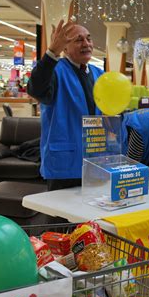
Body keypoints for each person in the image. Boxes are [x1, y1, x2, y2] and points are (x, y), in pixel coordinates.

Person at [28, 20, 103, 191]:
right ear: (65, 48)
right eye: (78, 40)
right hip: (65, 163)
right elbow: (36, 89)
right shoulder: (55, 71)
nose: (86, 44)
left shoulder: (100, 74)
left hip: (96, 161)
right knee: (60, 215)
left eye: (88, 39)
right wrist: (51, 52)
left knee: (92, 214)